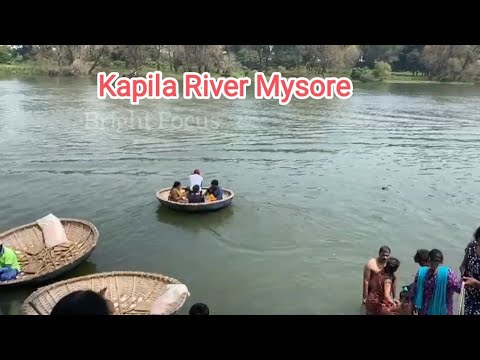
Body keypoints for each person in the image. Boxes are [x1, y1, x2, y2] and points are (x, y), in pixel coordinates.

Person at [411, 249, 462, 315]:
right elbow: (460, 289)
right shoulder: (448, 275)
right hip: (443, 312)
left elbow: (414, 293)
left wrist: (412, 307)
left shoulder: (421, 272)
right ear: (442, 262)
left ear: (429, 260)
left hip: (424, 311)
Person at [459, 226, 480, 315]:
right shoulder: (472, 246)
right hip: (468, 297)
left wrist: (475, 283)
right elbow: (463, 265)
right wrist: (463, 274)